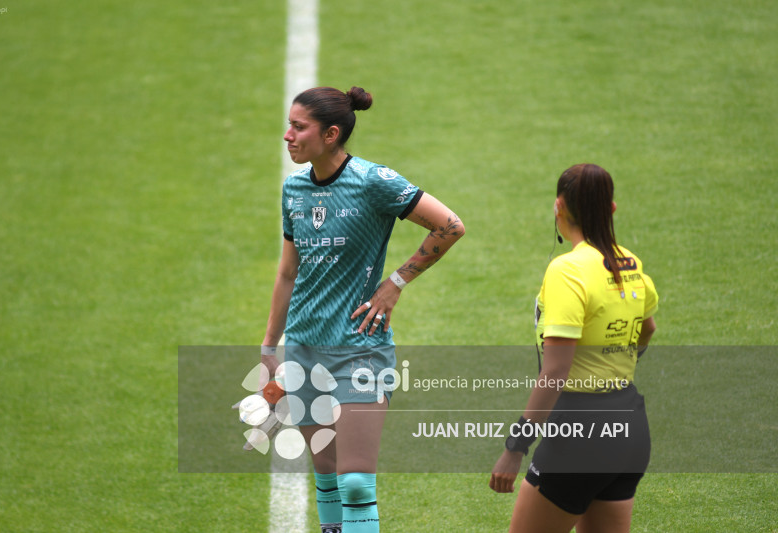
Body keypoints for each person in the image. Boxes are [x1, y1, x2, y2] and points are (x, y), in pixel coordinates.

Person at [261, 86, 465, 533]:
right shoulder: (293, 190)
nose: (287, 136)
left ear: (331, 134)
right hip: (304, 351)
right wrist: (269, 346)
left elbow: (450, 225)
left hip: (360, 351)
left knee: (356, 483)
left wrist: (396, 283)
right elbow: (287, 274)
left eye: (299, 127)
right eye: (289, 125)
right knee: (329, 476)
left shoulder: (375, 181)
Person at [490, 163, 658, 533]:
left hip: (580, 435)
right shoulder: (630, 264)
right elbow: (647, 328)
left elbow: (555, 371)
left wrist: (515, 447)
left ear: (558, 207)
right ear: (611, 208)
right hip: (629, 428)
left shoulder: (568, 270)